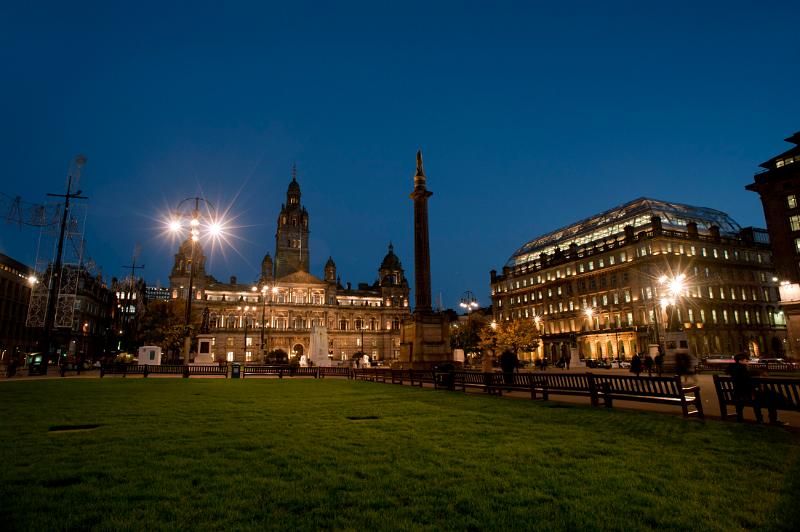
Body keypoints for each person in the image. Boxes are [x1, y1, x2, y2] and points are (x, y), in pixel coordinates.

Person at [727, 353, 781, 424]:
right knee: (771, 398)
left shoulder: (733, 370)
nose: (748, 362)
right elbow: (747, 384)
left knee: (767, 396)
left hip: (738, 395)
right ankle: (772, 419)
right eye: (746, 361)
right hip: (748, 395)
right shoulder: (743, 371)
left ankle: (759, 419)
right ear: (740, 361)